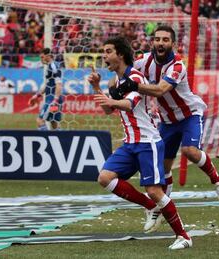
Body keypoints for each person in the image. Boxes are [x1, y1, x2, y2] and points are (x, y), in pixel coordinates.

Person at [116, 25, 219, 230]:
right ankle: (159, 208)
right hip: (167, 121)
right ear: (153, 42)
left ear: (173, 44)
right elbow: (126, 70)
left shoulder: (178, 66)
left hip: (189, 116)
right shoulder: (143, 61)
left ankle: (217, 180)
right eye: (157, 39)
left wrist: (132, 86)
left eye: (165, 40)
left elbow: (160, 90)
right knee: (164, 167)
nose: (160, 43)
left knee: (190, 151)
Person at [88, 36, 192, 250]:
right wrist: (97, 88)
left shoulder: (135, 76)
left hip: (147, 142)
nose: (104, 56)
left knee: (155, 190)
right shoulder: (114, 81)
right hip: (130, 143)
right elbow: (109, 110)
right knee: (105, 178)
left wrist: (111, 100)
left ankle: (184, 236)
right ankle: (150, 206)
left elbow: (129, 103)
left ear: (120, 54)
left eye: (108, 51)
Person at [28, 48, 63, 130]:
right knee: (53, 122)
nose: (41, 59)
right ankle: (63, 141)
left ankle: (46, 140)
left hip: (52, 100)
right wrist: (36, 96)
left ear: (48, 56)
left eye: (42, 57)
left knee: (40, 120)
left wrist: (55, 100)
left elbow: (59, 84)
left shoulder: (53, 66)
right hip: (53, 99)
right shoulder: (50, 66)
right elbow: (47, 85)